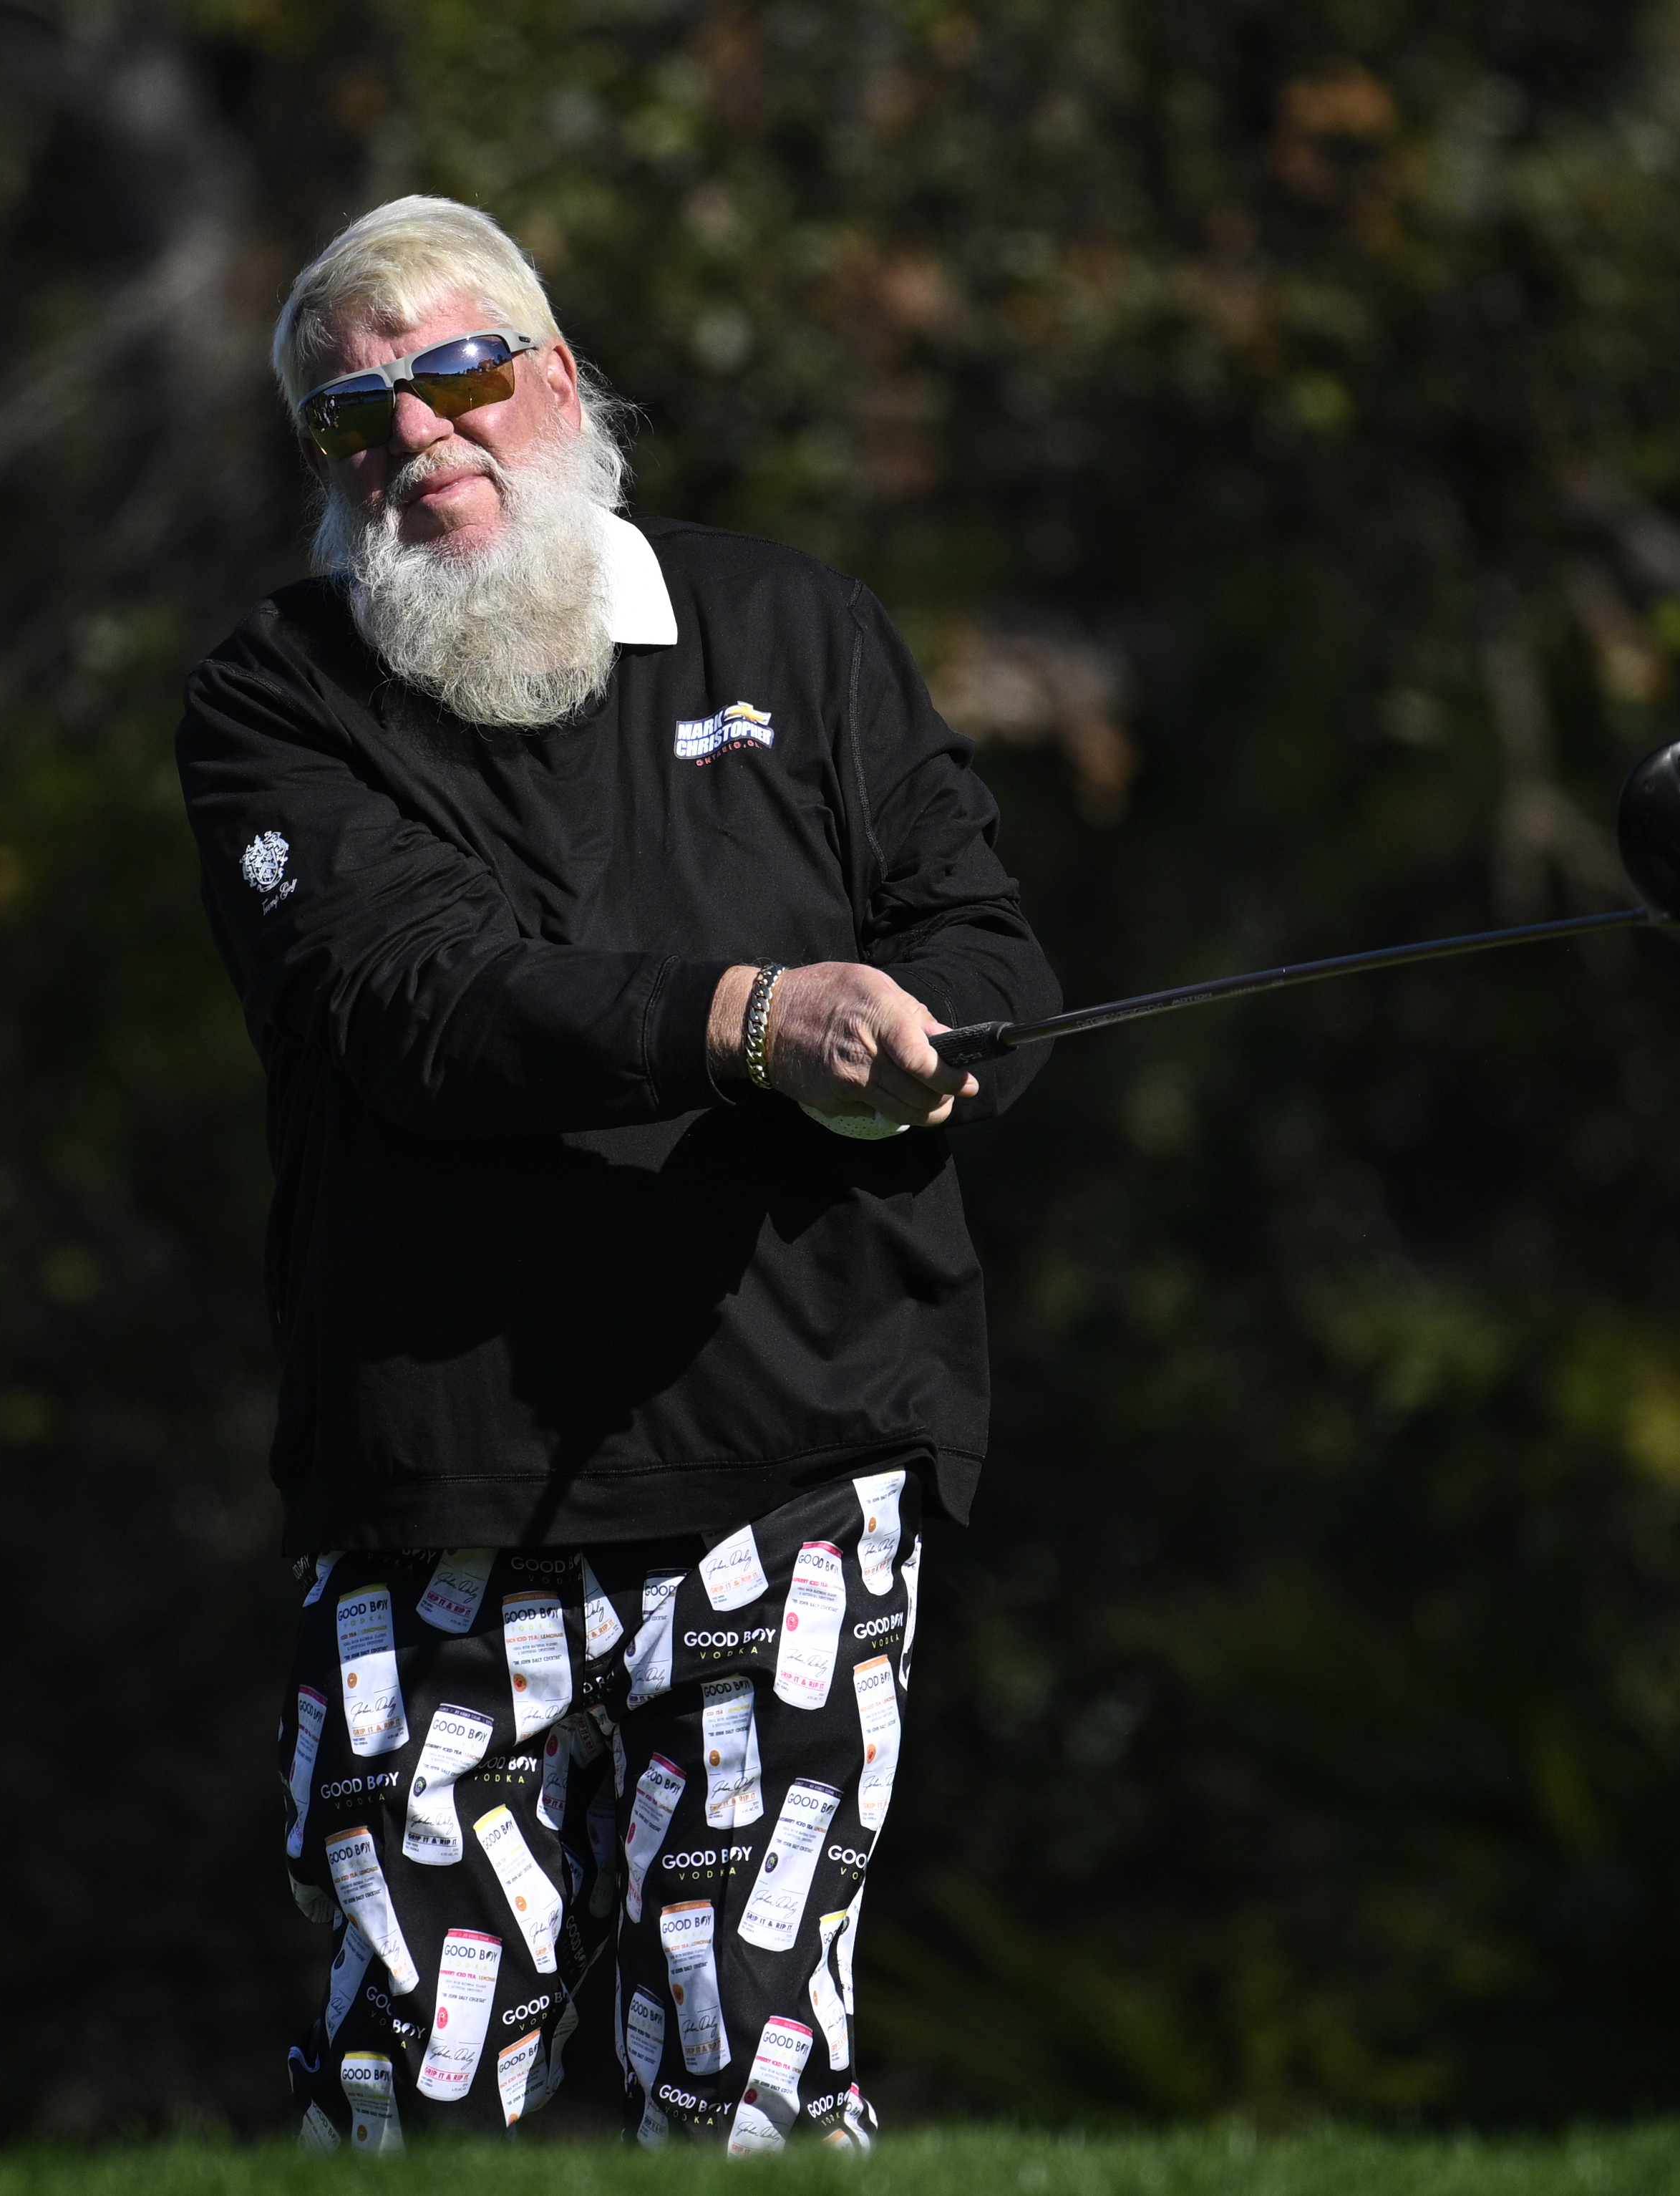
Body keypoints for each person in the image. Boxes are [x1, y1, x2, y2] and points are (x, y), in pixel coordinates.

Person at [177, 195, 1059, 2152]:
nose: (418, 436)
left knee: (750, 2084)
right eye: (354, 417)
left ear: (557, 381)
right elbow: (415, 1006)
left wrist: (927, 1048)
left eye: (457, 376)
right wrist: (757, 1020)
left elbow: (982, 945)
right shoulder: (275, 698)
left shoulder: (797, 630)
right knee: (411, 2096)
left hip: (797, 1458)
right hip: (438, 1486)